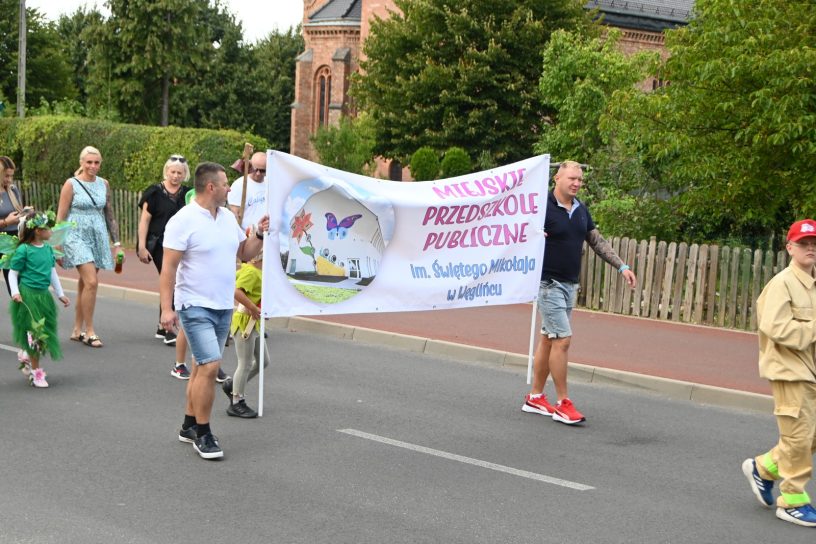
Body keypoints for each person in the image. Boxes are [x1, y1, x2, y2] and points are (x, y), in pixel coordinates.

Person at [160, 162, 267, 460]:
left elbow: (244, 253)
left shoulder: (227, 218)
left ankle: (188, 425)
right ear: (211, 187)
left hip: (223, 306)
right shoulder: (183, 220)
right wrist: (166, 309)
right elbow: (168, 268)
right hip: (195, 305)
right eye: (225, 184)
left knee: (199, 367)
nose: (229, 188)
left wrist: (259, 233)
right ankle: (204, 433)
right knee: (210, 367)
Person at [522, 161, 637, 425]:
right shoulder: (541, 207)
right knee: (562, 340)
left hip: (569, 285)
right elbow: (519, 234)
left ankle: (535, 397)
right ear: (557, 178)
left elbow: (596, 241)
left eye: (580, 180)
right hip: (547, 284)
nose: (576, 183)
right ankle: (563, 403)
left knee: (549, 339)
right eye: (572, 178)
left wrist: (622, 266)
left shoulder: (581, 209)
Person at [741, 219, 816, 527]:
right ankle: (793, 500)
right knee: (799, 436)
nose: (810, 248)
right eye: (803, 244)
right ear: (789, 248)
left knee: (810, 435)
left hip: (810, 369)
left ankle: (764, 468)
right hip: (789, 370)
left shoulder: (813, 283)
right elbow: (776, 327)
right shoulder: (782, 284)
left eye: (814, 244)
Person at [56, 146, 121, 348]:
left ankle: (77, 329)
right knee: (92, 281)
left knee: (85, 284)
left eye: (96, 162)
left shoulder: (104, 184)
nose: (93, 166)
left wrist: (117, 244)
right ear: (82, 163)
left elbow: (110, 215)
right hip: (75, 235)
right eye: (89, 162)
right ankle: (90, 331)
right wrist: (57, 245)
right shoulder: (71, 184)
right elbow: (61, 216)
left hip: (98, 235)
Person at [136, 154, 193, 378]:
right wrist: (141, 246)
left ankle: (163, 326)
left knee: (175, 281)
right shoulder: (154, 192)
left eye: (180, 173)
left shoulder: (188, 194)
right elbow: (145, 220)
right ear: (166, 171)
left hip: (181, 244)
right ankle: (168, 326)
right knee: (170, 279)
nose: (176, 176)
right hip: (160, 243)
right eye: (172, 172)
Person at [8, 210, 71, 388]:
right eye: (48, 228)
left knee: (43, 333)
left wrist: (60, 294)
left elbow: (52, 273)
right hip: (28, 297)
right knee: (35, 335)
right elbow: (13, 273)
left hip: (44, 297)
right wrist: (15, 292)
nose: (51, 231)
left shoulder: (48, 250)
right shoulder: (24, 250)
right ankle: (36, 373)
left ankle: (27, 354)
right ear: (37, 231)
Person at [221, 253, 270, 418]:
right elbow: (237, 292)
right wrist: (253, 308)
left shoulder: (257, 271)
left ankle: (234, 386)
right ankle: (236, 401)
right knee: (245, 363)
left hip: (254, 322)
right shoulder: (251, 272)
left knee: (263, 361)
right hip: (245, 322)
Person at [0, 156, 26, 294]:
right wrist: (6, 222)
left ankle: (21, 307)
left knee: (17, 286)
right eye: (6, 176)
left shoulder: (13, 189)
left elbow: (18, 212)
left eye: (11, 176)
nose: (9, 180)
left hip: (12, 241)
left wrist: (26, 214)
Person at [227, 151, 267, 230]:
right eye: (255, 169)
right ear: (250, 166)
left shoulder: (270, 184)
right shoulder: (239, 185)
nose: (258, 173)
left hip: (266, 233)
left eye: (262, 170)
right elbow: (234, 214)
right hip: (247, 234)